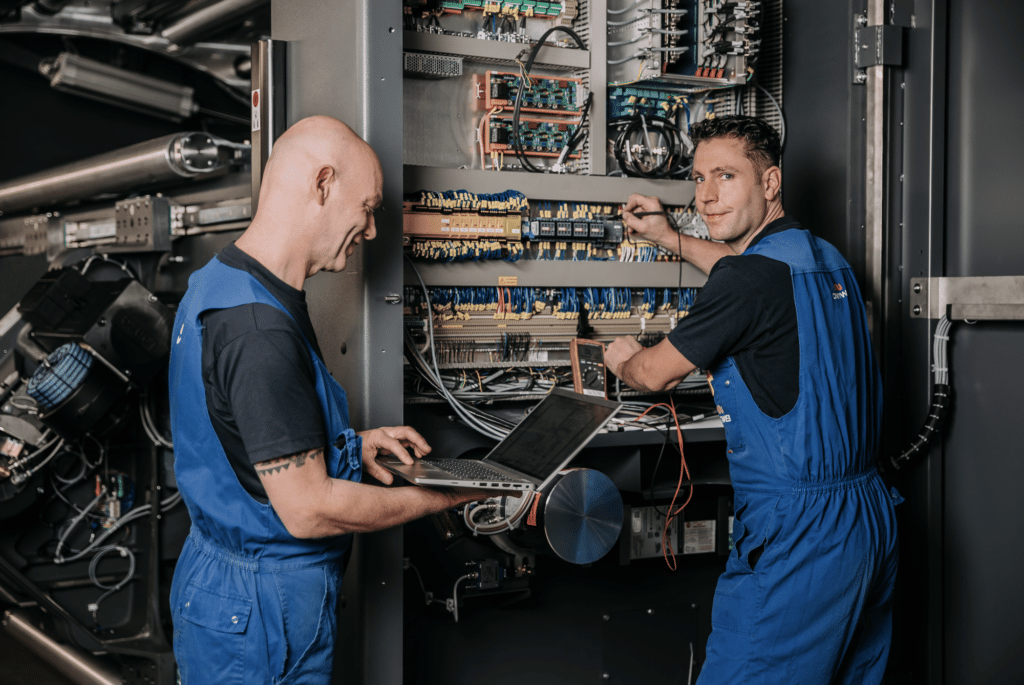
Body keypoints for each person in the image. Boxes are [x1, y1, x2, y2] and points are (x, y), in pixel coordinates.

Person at [167, 116, 489, 685]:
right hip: (261, 608)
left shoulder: (220, 282)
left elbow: (240, 435)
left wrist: (351, 446)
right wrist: (447, 494)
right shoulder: (258, 331)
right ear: (322, 184)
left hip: (227, 583)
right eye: (366, 206)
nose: (369, 230)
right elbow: (308, 508)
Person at [605, 115, 899, 684]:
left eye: (726, 176)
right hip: (868, 517)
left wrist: (619, 358)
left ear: (770, 183)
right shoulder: (824, 259)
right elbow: (749, 275)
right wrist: (670, 238)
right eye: (698, 179)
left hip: (801, 533)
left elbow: (652, 375)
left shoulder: (747, 282)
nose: (707, 196)